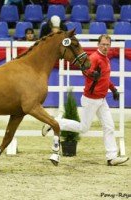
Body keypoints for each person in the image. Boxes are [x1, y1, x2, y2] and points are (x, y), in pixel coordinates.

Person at [42, 34, 129, 166]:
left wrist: (113, 89)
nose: (105, 47)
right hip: (91, 99)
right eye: (103, 44)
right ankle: (53, 123)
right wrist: (92, 74)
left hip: (101, 99)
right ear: (98, 44)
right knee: (83, 128)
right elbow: (85, 70)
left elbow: (105, 77)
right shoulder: (94, 58)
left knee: (109, 126)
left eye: (107, 45)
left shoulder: (106, 59)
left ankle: (111, 157)